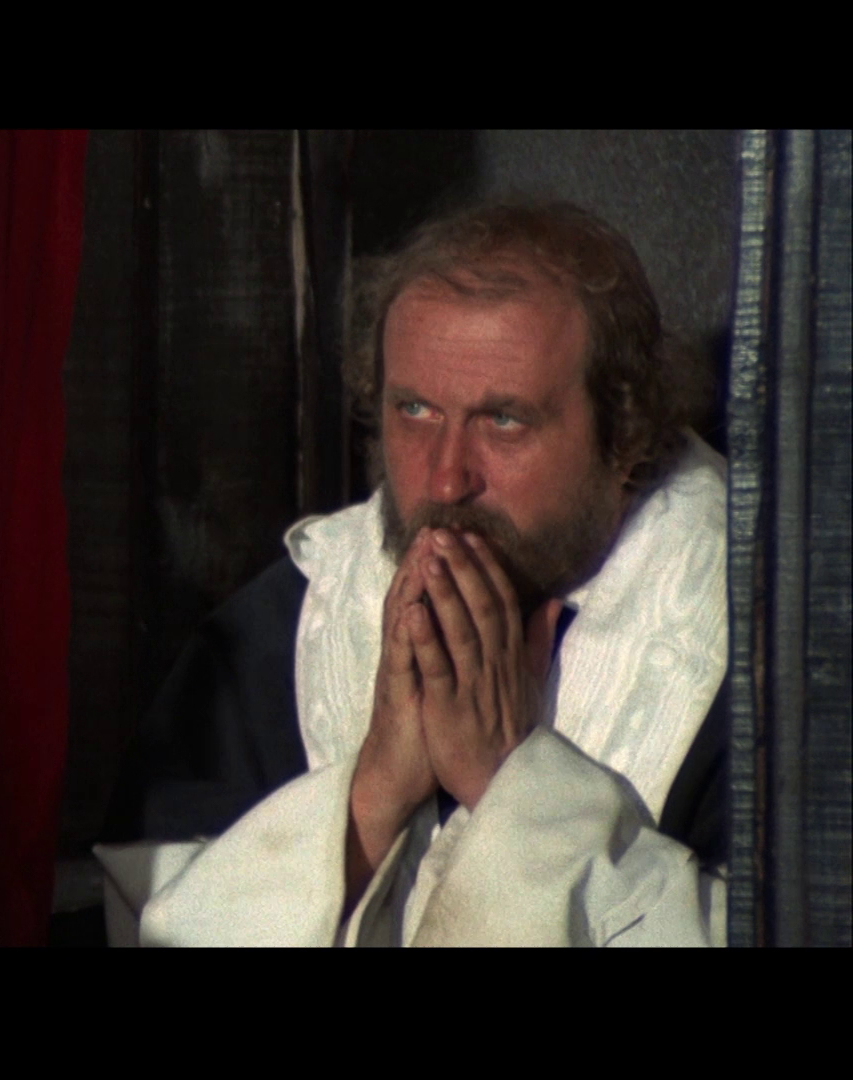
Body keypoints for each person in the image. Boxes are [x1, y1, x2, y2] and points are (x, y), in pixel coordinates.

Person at [102, 201, 727, 946]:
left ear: (623, 437)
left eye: (503, 421)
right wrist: (369, 800)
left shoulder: (756, 657)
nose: (446, 479)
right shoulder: (279, 634)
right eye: (416, 410)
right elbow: (154, 920)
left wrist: (516, 791)